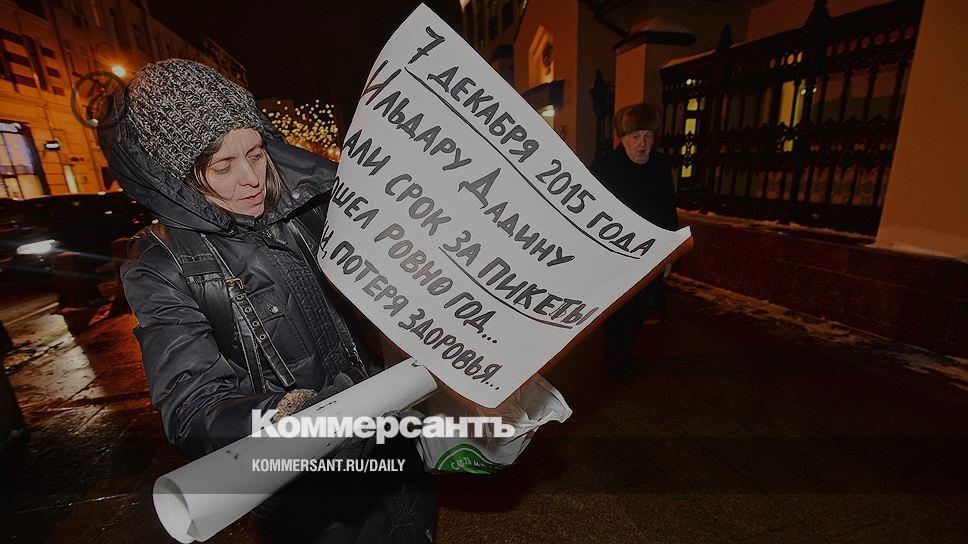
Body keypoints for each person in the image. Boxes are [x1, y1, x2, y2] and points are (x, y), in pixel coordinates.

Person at [98, 59, 435, 543]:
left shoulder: (309, 204)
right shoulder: (161, 264)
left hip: (394, 450)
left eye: (255, 153)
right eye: (223, 166)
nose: (252, 178)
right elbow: (191, 406)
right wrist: (290, 417)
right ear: (177, 175)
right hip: (310, 497)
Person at [590, 103, 678, 374]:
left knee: (640, 307)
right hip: (614, 252)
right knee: (619, 310)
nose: (642, 143)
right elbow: (590, 210)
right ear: (623, 138)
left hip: (649, 252)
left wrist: (670, 253)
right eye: (636, 136)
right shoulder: (605, 167)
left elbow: (667, 209)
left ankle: (623, 355)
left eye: (648, 136)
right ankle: (615, 360)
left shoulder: (660, 166)